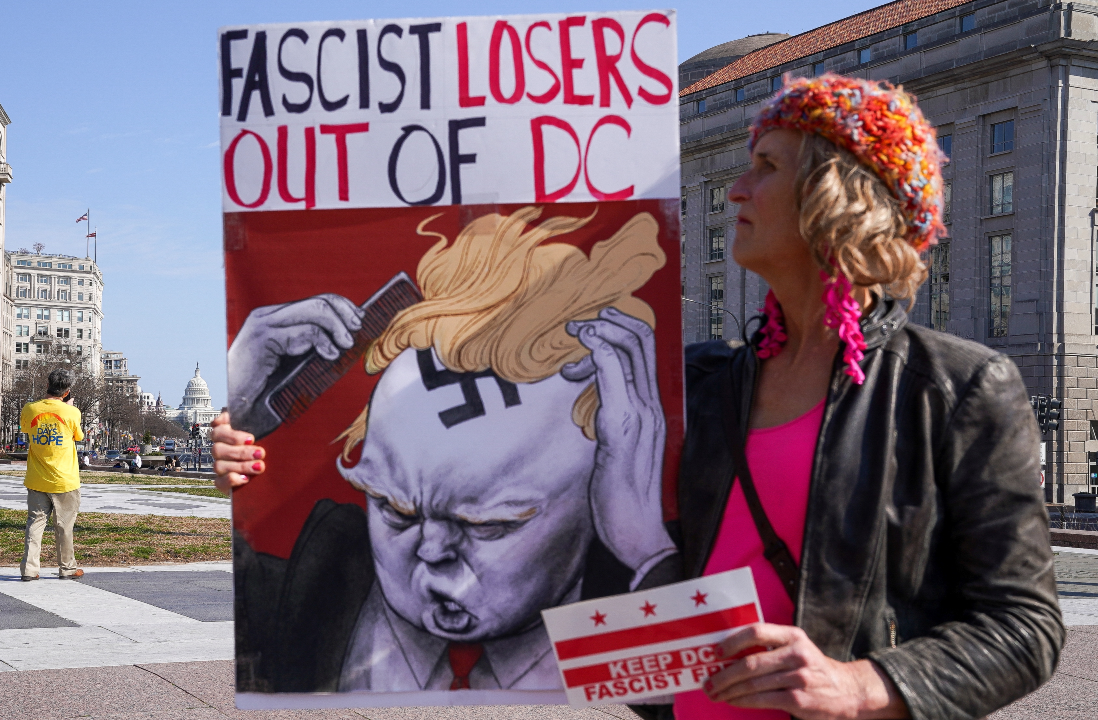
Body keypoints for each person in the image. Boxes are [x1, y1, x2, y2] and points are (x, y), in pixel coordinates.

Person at [633, 75, 1061, 719]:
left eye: (766, 166)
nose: (736, 189)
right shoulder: (697, 383)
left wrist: (860, 685)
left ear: (839, 196)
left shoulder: (956, 387)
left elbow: (1025, 625)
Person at [215, 206, 670, 693]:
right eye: (394, 510)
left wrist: (648, 551)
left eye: (489, 524)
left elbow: (695, 696)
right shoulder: (299, 598)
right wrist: (241, 416)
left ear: (601, 490)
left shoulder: (636, 606)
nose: (432, 550)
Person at [19, 368, 86, 582]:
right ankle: (67, 568)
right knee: (64, 526)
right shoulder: (72, 412)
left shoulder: (30, 409)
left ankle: (29, 569)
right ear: (66, 392)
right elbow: (78, 436)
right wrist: (68, 408)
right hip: (65, 480)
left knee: (35, 524)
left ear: (47, 385)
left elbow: (26, 429)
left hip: (37, 478)